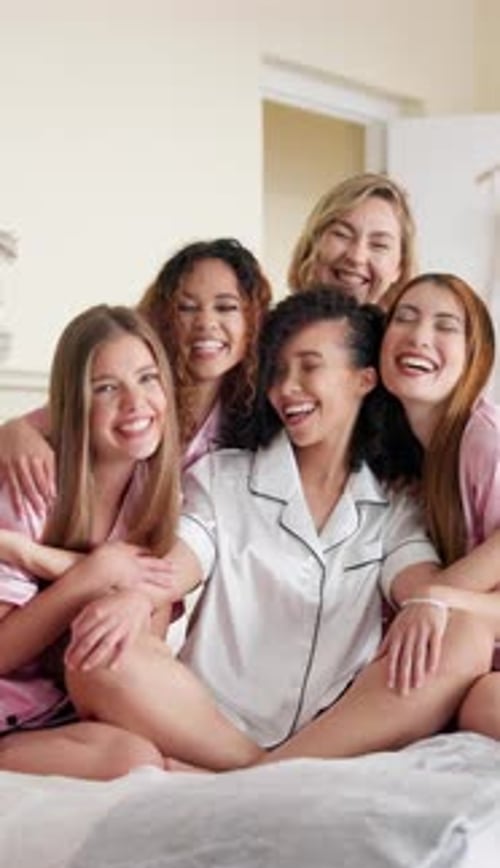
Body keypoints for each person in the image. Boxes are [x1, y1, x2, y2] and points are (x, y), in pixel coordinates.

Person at [58, 289, 491, 766]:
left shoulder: (394, 503)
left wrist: (437, 602)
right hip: (208, 721)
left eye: (309, 366)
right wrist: (137, 598)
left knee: (464, 637)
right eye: (279, 372)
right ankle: (262, 772)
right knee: (95, 650)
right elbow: (180, 562)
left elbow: (421, 586)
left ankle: (256, 773)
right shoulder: (223, 476)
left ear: (364, 379)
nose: (287, 388)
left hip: (337, 728)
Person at [0, 303, 256, 777]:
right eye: (106, 388)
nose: (135, 403)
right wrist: (90, 579)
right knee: (137, 754)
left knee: (143, 757)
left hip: (64, 710)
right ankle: (265, 772)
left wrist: (63, 568)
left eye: (147, 378)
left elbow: (142, 643)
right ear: (75, 402)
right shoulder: (31, 486)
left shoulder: (152, 496)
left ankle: (260, 767)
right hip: (10, 713)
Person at [0, 238, 272, 512]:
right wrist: (16, 434)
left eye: (226, 307)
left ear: (254, 319)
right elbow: (25, 430)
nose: (206, 323)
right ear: (165, 317)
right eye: (187, 308)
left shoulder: (257, 417)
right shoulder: (138, 395)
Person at [379, 271, 500, 738]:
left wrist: (437, 597)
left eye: (446, 326)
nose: (420, 337)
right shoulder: (406, 461)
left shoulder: (483, 441)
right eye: (404, 319)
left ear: (475, 355)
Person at [288, 172, 416, 309]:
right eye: (342, 234)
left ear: (399, 268)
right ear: (312, 243)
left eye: (379, 245)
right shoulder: (270, 327)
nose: (356, 257)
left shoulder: (410, 330)